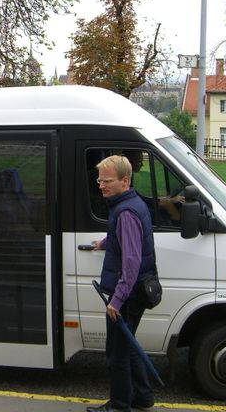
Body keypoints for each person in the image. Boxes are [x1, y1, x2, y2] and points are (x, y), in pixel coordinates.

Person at [87, 155, 156, 412]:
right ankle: (143, 396)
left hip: (127, 295)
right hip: (136, 291)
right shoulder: (132, 203)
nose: (101, 186)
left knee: (117, 353)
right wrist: (105, 243)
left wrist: (116, 300)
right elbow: (126, 239)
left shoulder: (125, 212)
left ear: (124, 181)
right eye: (99, 180)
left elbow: (131, 261)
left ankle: (119, 405)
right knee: (128, 346)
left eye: (107, 181)